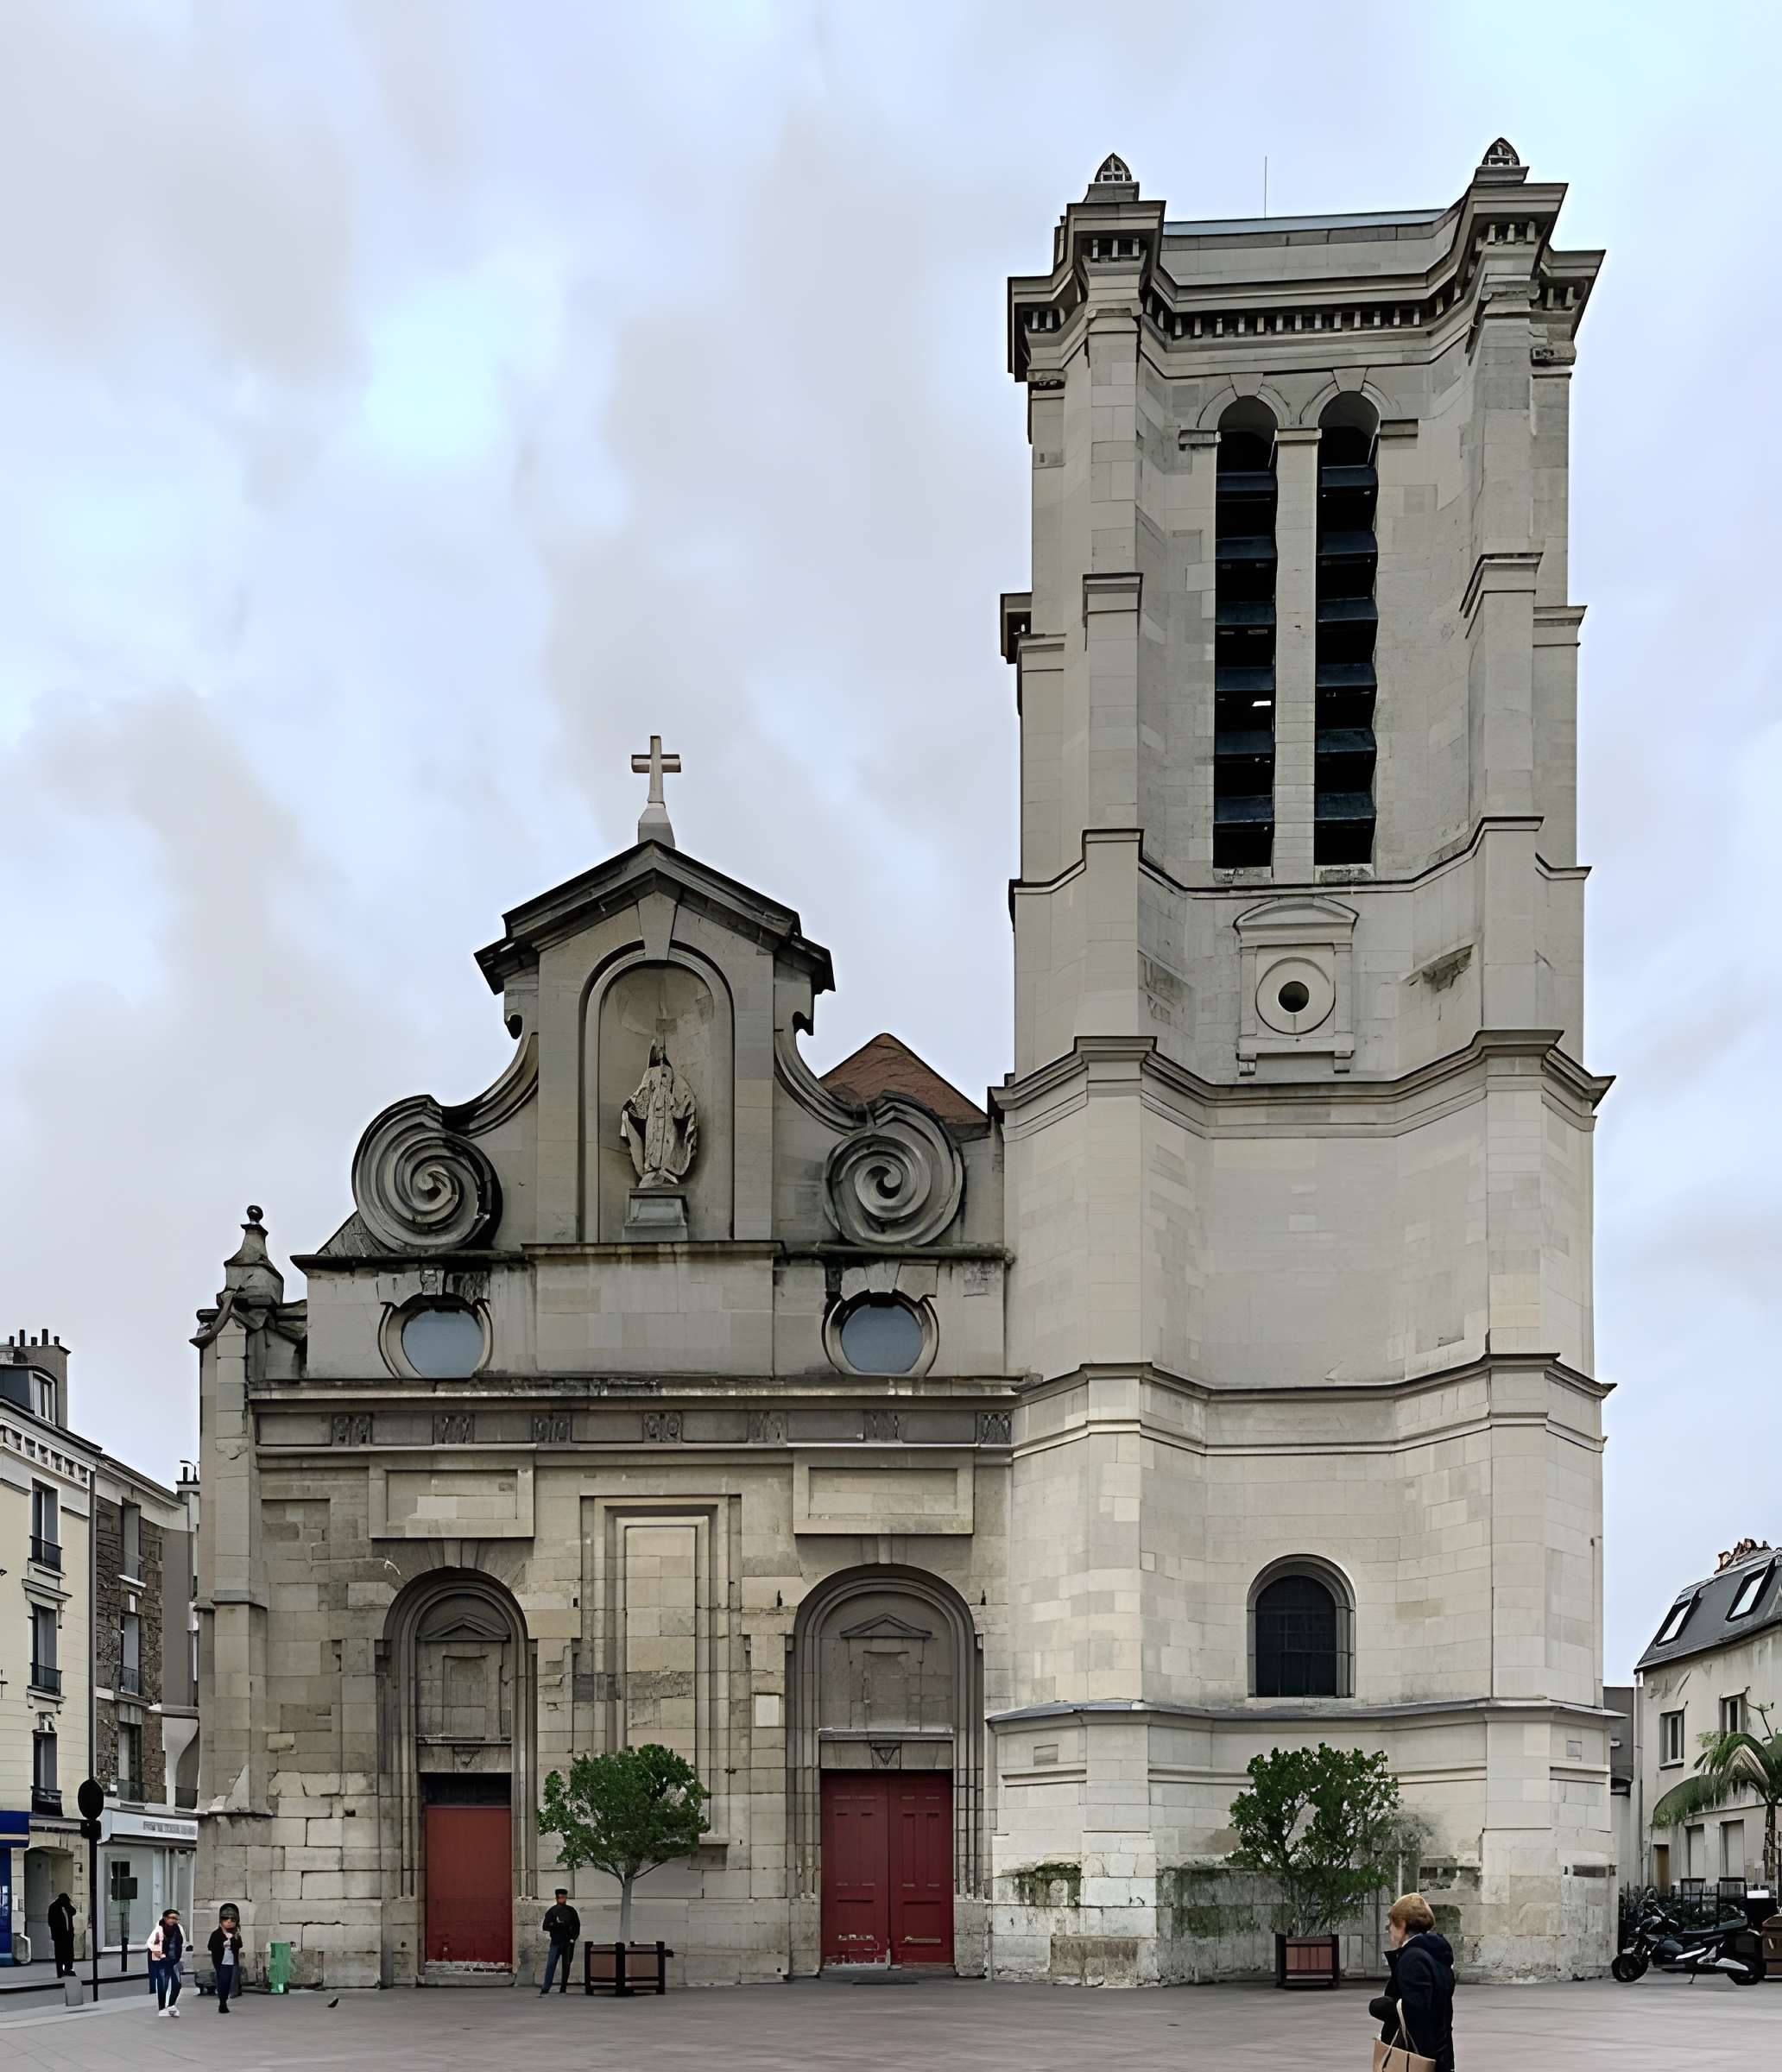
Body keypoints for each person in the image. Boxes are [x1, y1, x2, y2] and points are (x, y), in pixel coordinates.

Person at [1368, 1893, 1455, 2071]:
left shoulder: (1413, 1958)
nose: (1390, 1931)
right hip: (1441, 2052)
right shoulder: (1435, 1953)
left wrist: (1381, 2006)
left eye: (1391, 1925)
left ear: (1401, 1924)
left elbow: (1418, 2013)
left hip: (1418, 2058)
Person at [539, 1888, 580, 1995]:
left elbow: (577, 1926)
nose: (561, 1899)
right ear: (556, 1898)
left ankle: (563, 1987)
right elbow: (545, 1926)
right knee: (551, 1964)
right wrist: (556, 1925)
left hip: (567, 1942)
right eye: (559, 1897)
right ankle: (546, 1987)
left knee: (566, 1965)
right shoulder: (552, 1911)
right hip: (556, 1942)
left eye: (563, 1897)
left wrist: (573, 1939)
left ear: (566, 1898)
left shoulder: (571, 1911)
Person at [147, 1909, 186, 2017]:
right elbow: (149, 1942)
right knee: (163, 1985)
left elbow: (183, 1944)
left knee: (177, 1984)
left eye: (176, 1918)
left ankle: (171, 2005)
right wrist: (155, 1950)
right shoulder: (159, 1929)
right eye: (172, 1918)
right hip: (163, 1961)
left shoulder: (179, 1929)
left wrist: (182, 1960)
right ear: (165, 1918)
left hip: (175, 1961)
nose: (174, 1920)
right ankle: (162, 2008)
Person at [208, 1910, 245, 2014]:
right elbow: (210, 1946)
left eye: (231, 1920)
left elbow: (239, 1945)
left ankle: (225, 1999)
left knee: (229, 1982)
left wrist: (233, 1940)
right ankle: (222, 2002)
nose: (229, 1922)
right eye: (226, 1920)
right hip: (221, 1962)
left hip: (232, 1961)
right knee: (222, 1982)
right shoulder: (216, 1934)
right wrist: (222, 1945)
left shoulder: (235, 1934)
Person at [47, 1892, 76, 1978]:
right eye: (67, 1900)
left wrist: (68, 1905)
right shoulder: (53, 1907)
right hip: (59, 1935)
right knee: (60, 1954)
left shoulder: (66, 1907)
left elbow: (74, 1912)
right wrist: (57, 1930)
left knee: (69, 1953)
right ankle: (60, 1972)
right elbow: (50, 1921)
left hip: (68, 1935)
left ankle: (68, 1969)